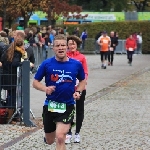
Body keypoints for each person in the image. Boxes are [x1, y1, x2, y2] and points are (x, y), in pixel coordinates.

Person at [32, 34, 86, 150]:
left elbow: (83, 81)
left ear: (67, 47)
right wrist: (45, 89)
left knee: (61, 137)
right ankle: (49, 135)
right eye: (57, 46)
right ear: (53, 48)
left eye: (63, 45)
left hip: (68, 105)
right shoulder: (47, 64)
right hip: (50, 105)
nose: (60, 48)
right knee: (50, 140)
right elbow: (35, 82)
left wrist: (79, 92)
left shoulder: (76, 64)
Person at [65, 35, 88, 144]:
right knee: (68, 110)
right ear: (67, 45)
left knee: (79, 110)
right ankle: (68, 133)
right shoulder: (65, 56)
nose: (72, 45)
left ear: (77, 45)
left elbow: (85, 72)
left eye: (74, 44)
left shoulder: (81, 57)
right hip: (67, 88)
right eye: (70, 44)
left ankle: (77, 133)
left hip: (79, 87)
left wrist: (82, 85)